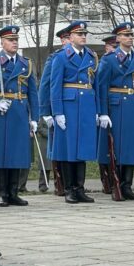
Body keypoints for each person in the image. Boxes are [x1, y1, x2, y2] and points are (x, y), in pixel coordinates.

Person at [0, 25, 40, 207]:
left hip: (19, 111)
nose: (14, 43)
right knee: (1, 153)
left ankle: (13, 192)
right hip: (0, 112)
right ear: (2, 42)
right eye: (10, 40)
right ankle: (2, 193)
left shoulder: (26, 64)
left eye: (16, 40)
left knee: (17, 153)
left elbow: (33, 94)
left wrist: (34, 118)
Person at [95, 21, 134, 200]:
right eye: (125, 35)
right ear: (118, 38)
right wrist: (102, 112)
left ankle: (127, 185)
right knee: (115, 147)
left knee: (131, 146)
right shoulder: (109, 60)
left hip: (133, 104)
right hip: (115, 105)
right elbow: (101, 87)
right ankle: (115, 184)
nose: (129, 38)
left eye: (131, 35)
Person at [49, 21, 98, 204]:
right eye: (79, 34)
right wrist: (57, 112)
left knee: (82, 148)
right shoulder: (61, 57)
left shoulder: (91, 56)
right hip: (69, 106)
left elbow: (96, 85)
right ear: (70, 38)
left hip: (86, 104)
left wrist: (97, 110)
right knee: (69, 149)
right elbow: (55, 87)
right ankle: (69, 189)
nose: (83, 37)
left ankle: (80, 188)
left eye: (85, 34)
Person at [39, 27, 71, 195]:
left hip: (69, 109)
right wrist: (45, 112)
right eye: (65, 39)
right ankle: (61, 183)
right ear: (62, 41)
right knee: (58, 148)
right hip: (55, 110)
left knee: (69, 147)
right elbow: (45, 85)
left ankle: (70, 184)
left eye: (69, 39)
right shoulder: (55, 58)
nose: (67, 42)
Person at [97, 33, 118, 192]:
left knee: (118, 147)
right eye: (114, 47)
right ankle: (106, 180)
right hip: (107, 108)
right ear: (107, 47)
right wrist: (101, 112)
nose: (116, 50)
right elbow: (100, 88)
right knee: (106, 147)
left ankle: (118, 180)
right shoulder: (104, 61)